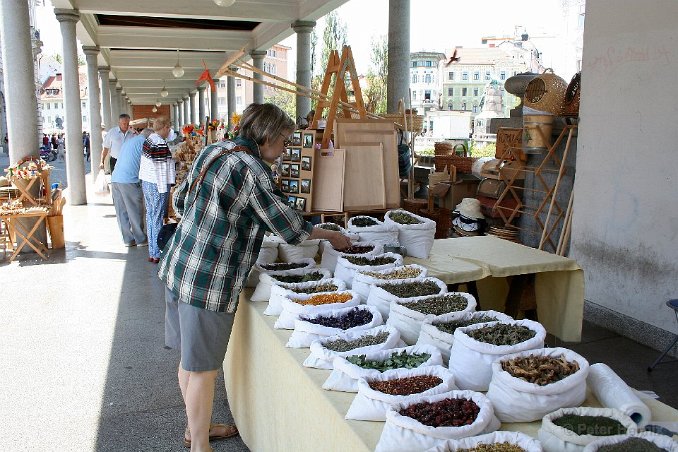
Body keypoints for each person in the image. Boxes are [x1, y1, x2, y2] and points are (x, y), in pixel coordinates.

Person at [158, 103, 351, 451]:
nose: (284, 150)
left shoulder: (215, 150)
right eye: (284, 141)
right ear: (267, 136)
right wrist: (330, 235)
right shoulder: (252, 169)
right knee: (202, 369)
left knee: (188, 359)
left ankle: (194, 428)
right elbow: (289, 227)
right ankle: (199, 445)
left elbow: (182, 199)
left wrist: (212, 223)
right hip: (209, 281)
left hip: (179, 265)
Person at [139, 117, 175, 263]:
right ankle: (158, 252)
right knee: (158, 217)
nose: (169, 131)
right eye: (169, 128)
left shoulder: (150, 139)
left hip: (147, 181)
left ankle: (152, 251)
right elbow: (160, 170)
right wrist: (164, 189)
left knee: (150, 216)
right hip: (157, 184)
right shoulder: (159, 142)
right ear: (165, 127)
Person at [110, 128, 153, 247]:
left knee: (122, 211)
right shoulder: (145, 143)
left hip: (115, 178)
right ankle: (140, 239)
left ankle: (128, 239)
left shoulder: (130, 141)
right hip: (129, 180)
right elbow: (150, 163)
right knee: (135, 210)